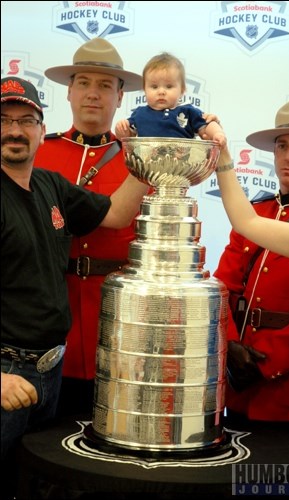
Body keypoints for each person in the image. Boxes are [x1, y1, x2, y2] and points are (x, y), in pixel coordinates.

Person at [34, 40, 219, 417]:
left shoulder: (148, 152)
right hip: (52, 311)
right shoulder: (40, 153)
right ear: (68, 92)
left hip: (122, 315)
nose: (92, 94)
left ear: (121, 97)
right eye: (83, 82)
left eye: (105, 86)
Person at [0, 76, 149, 498]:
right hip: (7, 376)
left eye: (25, 120)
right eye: (4, 120)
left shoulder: (48, 184)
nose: (14, 130)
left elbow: (117, 214)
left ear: (39, 130)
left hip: (48, 373)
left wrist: (148, 155)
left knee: (29, 482)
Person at [215, 147, 289, 486]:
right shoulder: (258, 210)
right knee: (237, 482)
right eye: (282, 146)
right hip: (240, 384)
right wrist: (232, 345)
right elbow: (223, 286)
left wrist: (265, 363)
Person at [115, 51, 226, 146]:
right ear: (144, 89)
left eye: (169, 86)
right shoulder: (139, 113)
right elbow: (128, 136)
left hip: (182, 168)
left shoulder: (188, 111)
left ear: (182, 90)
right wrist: (122, 130)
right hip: (148, 168)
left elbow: (207, 126)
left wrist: (217, 134)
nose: (161, 92)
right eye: (154, 87)